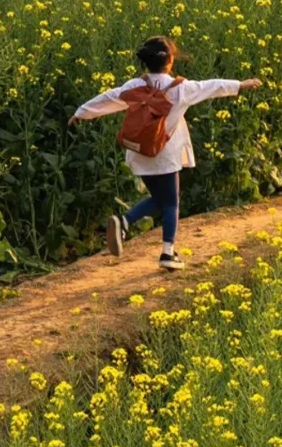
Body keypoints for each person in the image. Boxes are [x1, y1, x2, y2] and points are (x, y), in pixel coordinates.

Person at [69, 35, 262, 270]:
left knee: (160, 200)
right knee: (171, 202)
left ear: (145, 62)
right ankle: (167, 253)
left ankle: (125, 222)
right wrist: (240, 84)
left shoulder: (134, 86)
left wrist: (80, 113)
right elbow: (211, 86)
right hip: (164, 154)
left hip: (139, 152)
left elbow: (108, 99)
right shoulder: (182, 89)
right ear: (170, 61)